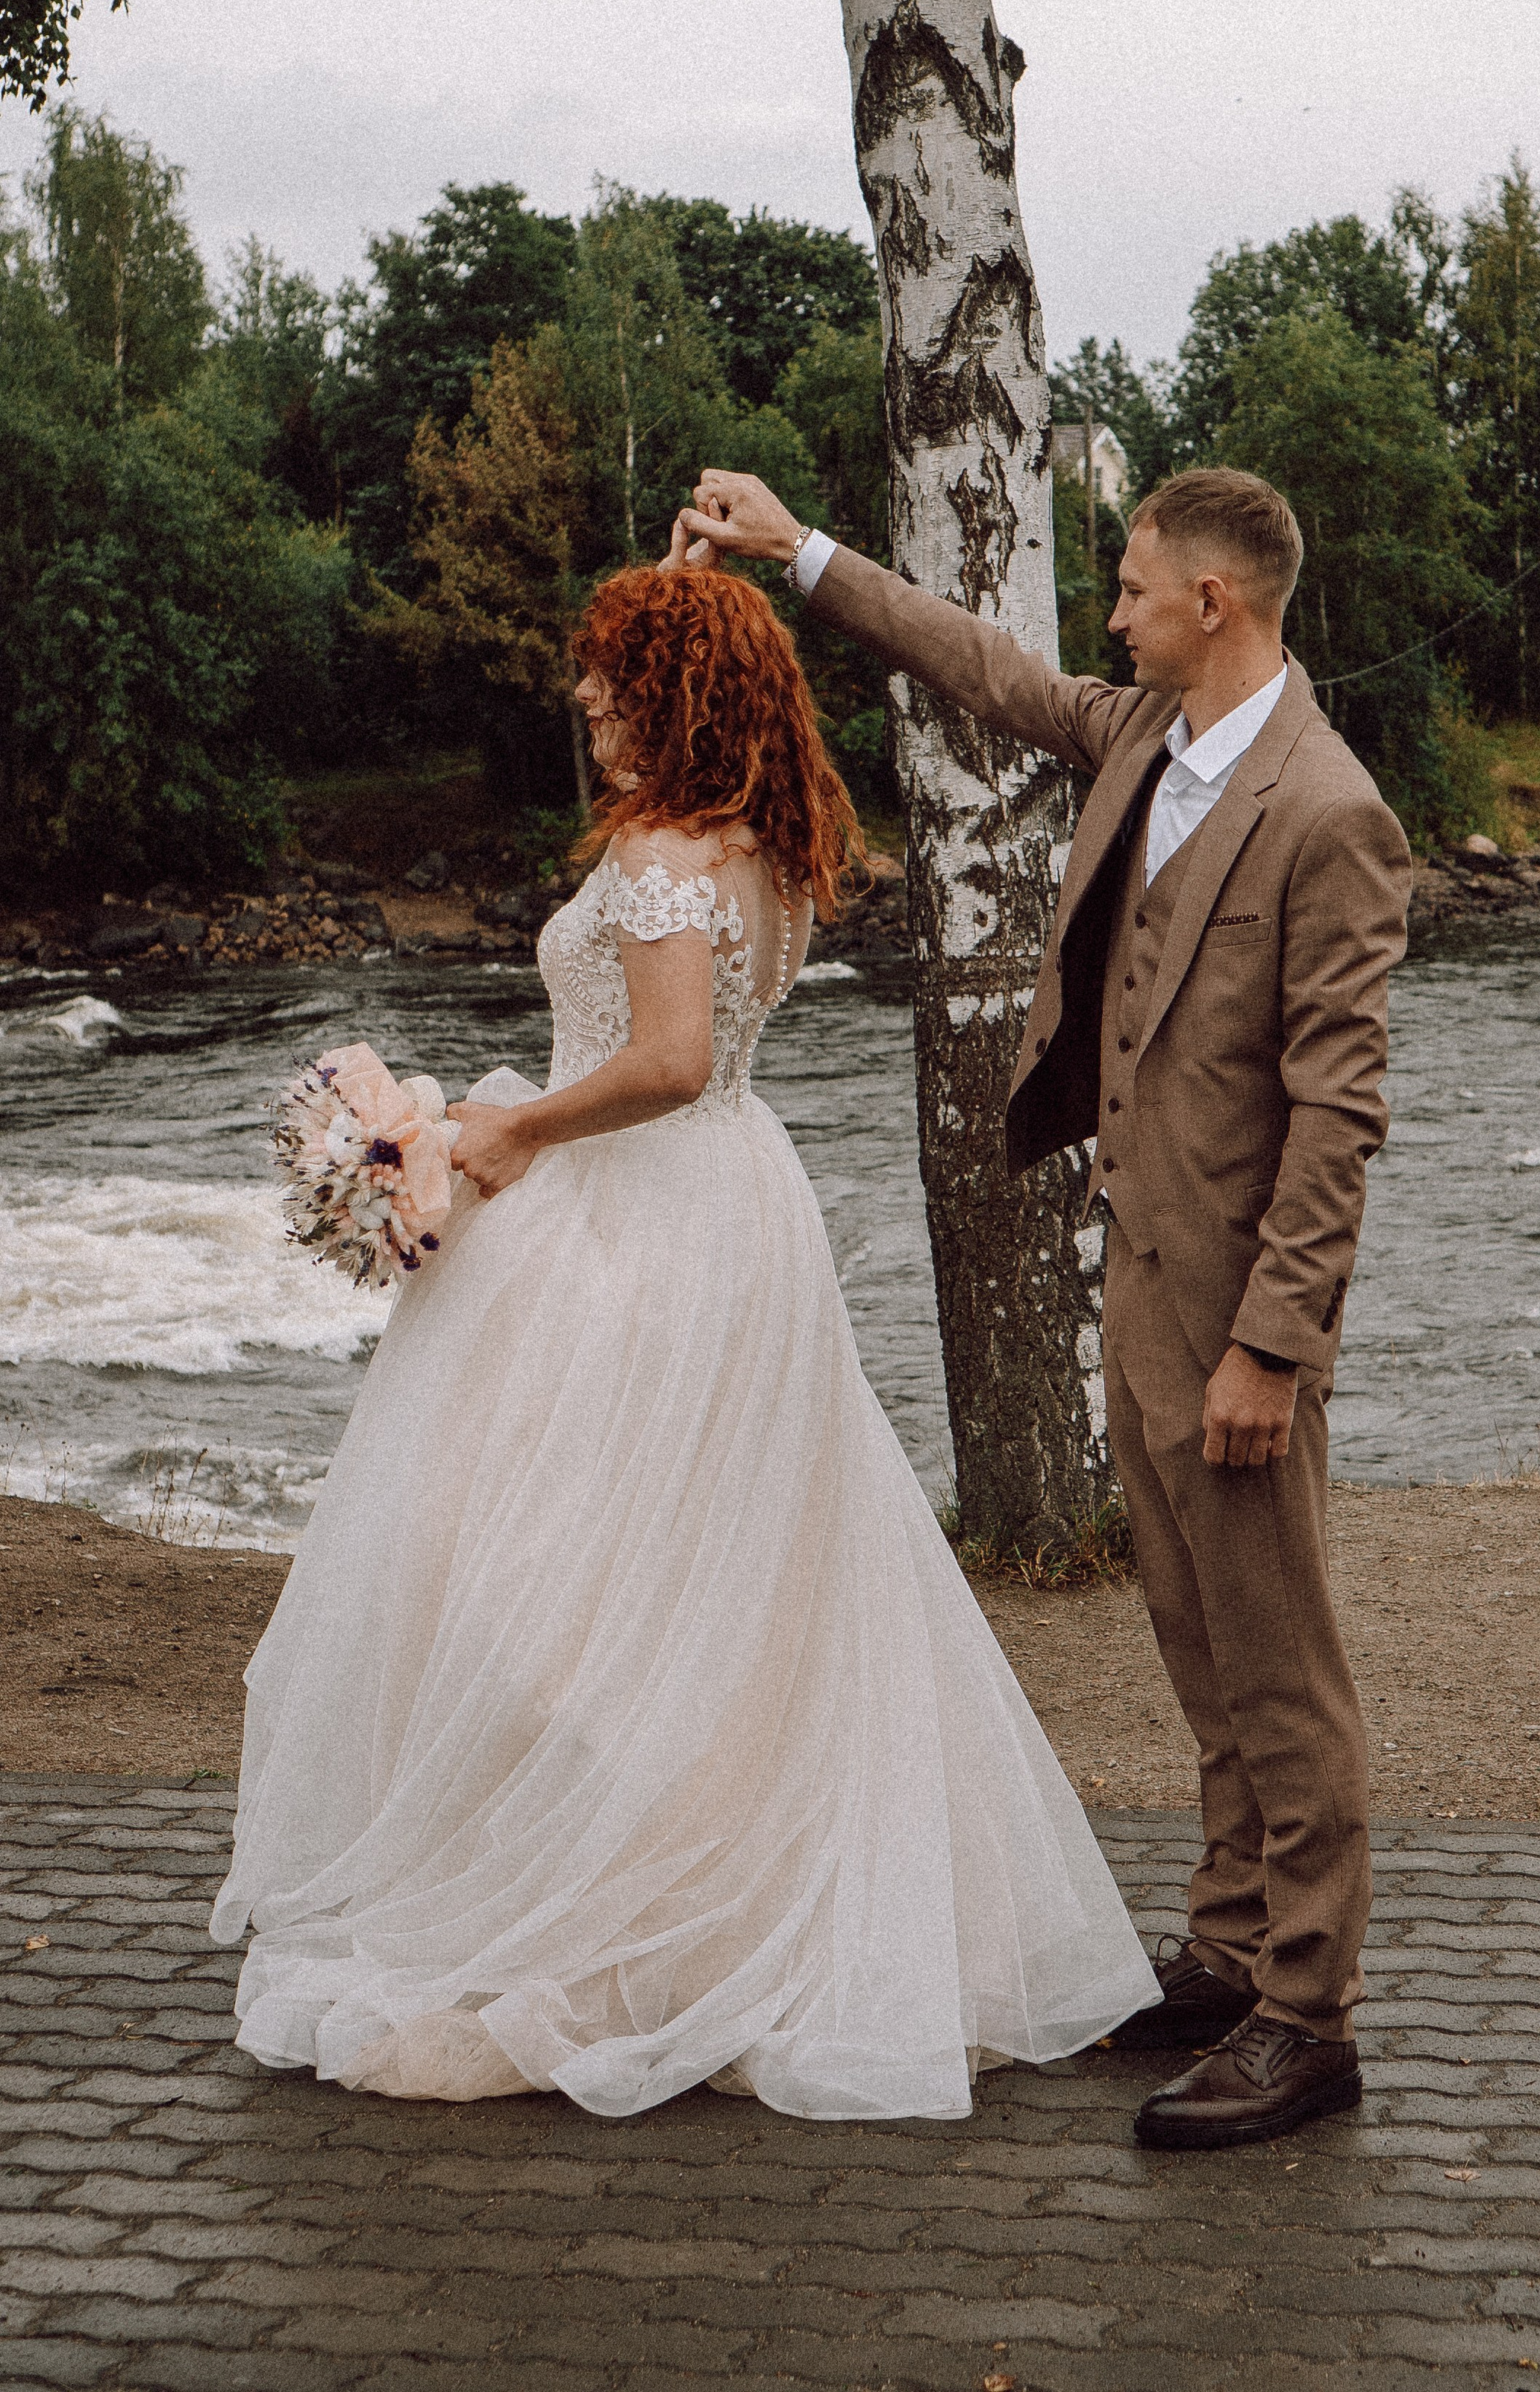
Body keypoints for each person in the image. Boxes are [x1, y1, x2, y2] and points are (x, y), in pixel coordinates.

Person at [211, 560, 1157, 2121]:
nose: (582, 697)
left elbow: (663, 1058)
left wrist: (504, 1127)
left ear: (674, 696)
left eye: (608, 675)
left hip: (637, 1215)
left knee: (542, 1569)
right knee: (715, 1573)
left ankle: (615, 1921)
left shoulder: (662, 851)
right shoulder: (764, 849)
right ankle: (692, 1891)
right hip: (730, 1202)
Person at [684, 462, 1412, 2153]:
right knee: (1197, 1639)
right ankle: (1228, 1959)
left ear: (1213, 604)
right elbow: (985, 671)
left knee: (1284, 1670)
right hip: (1137, 1282)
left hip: (1235, 1318)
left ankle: (1308, 2020)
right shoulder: (1144, 738)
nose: (1109, 610)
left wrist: (1269, 1345)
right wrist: (803, 556)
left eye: (1133, 584)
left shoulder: (1326, 810)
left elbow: (1335, 1115)